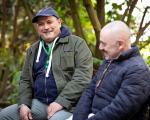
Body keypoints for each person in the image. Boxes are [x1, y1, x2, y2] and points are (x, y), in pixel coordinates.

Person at [0, 6, 93, 120]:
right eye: (41, 24)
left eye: (49, 22)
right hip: (41, 103)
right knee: (4, 116)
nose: (46, 27)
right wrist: (24, 104)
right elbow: (25, 80)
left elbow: (83, 77)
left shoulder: (77, 44)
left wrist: (61, 102)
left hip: (70, 105)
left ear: (59, 22)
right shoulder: (33, 50)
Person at [72, 21, 150, 120]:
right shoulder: (110, 60)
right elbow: (89, 91)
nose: (100, 47)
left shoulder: (139, 71)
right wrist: (78, 117)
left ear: (120, 44)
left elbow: (120, 111)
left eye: (104, 44)